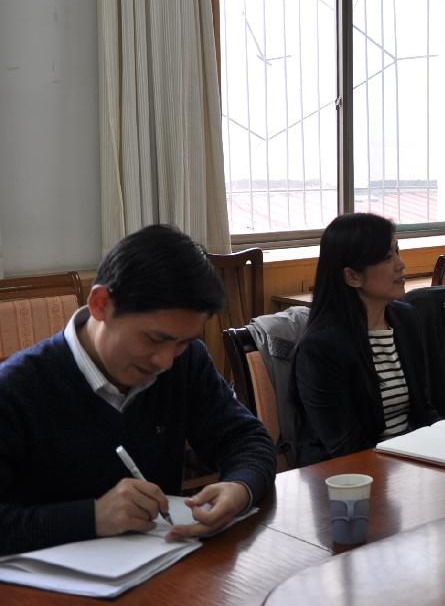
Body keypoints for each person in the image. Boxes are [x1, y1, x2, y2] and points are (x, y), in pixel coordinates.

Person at [0, 225, 277, 555]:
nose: (166, 361)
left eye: (183, 342)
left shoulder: (186, 361)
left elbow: (247, 439)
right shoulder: (16, 388)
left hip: (161, 566)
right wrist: (93, 517)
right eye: (154, 339)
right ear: (101, 303)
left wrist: (240, 487)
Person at [291, 213, 436, 466]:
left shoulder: (406, 319)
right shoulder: (320, 348)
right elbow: (346, 448)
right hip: (346, 476)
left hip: (407, 462)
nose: (401, 264)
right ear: (352, 277)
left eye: (397, 251)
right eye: (387, 257)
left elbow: (423, 410)